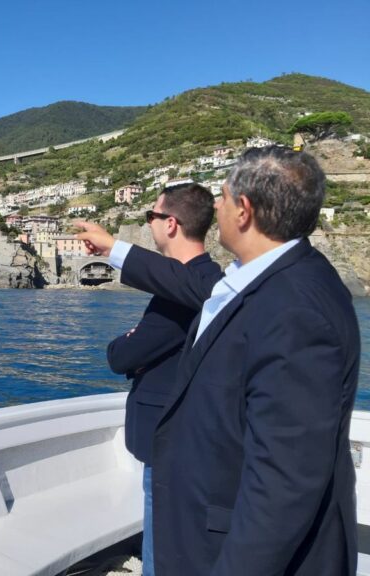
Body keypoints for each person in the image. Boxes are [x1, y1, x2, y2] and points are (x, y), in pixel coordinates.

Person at [78, 146, 359, 575]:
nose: (216, 209)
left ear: (243, 210)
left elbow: (284, 481)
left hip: (226, 546)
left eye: (222, 198)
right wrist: (116, 249)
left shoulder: (295, 309)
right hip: (205, 522)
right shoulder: (272, 281)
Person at [104, 183, 220, 575]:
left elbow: (122, 355)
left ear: (170, 224)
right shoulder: (207, 279)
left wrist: (128, 348)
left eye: (150, 216)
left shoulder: (186, 290)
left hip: (170, 442)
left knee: (162, 548)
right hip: (194, 439)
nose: (148, 224)